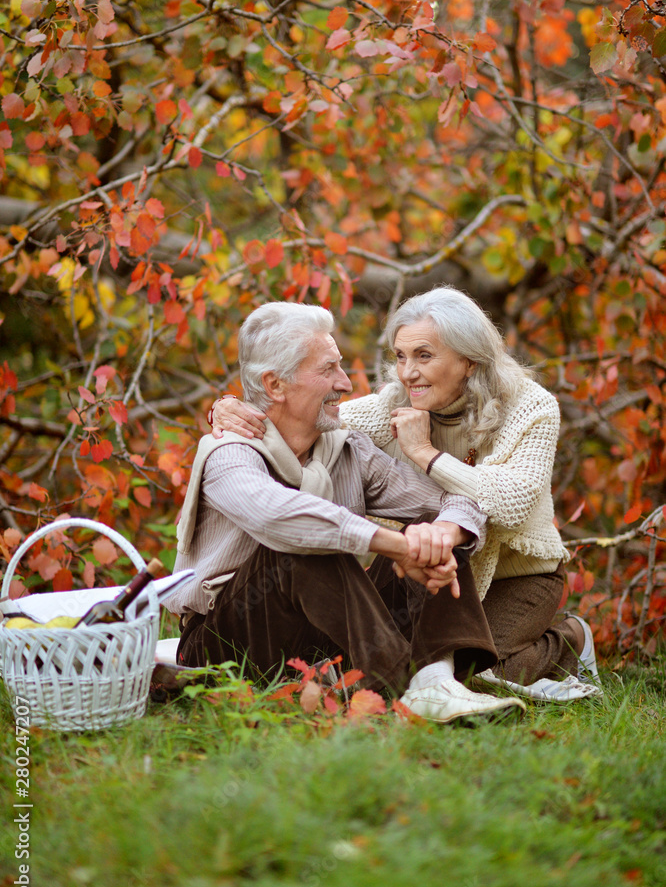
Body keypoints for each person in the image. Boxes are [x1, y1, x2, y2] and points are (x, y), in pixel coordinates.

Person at [211, 288, 601, 702]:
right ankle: (429, 676)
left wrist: (426, 455)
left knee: (477, 673)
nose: (407, 373)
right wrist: (229, 405)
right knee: (422, 663)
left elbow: (509, 501)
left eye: (424, 356)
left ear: (469, 359)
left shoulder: (531, 407)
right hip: (446, 568)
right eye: (400, 356)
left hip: (518, 575)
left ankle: (571, 638)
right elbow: (307, 411)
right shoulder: (395, 404)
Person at [169, 301, 526, 723]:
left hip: (314, 638)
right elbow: (279, 518)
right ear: (275, 384)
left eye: (341, 366)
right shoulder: (229, 454)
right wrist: (395, 546)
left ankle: (433, 683)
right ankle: (397, 685)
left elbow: (454, 498)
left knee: (427, 530)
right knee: (301, 545)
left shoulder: (346, 449)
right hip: (226, 643)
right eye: (328, 370)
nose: (345, 382)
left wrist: (439, 535)